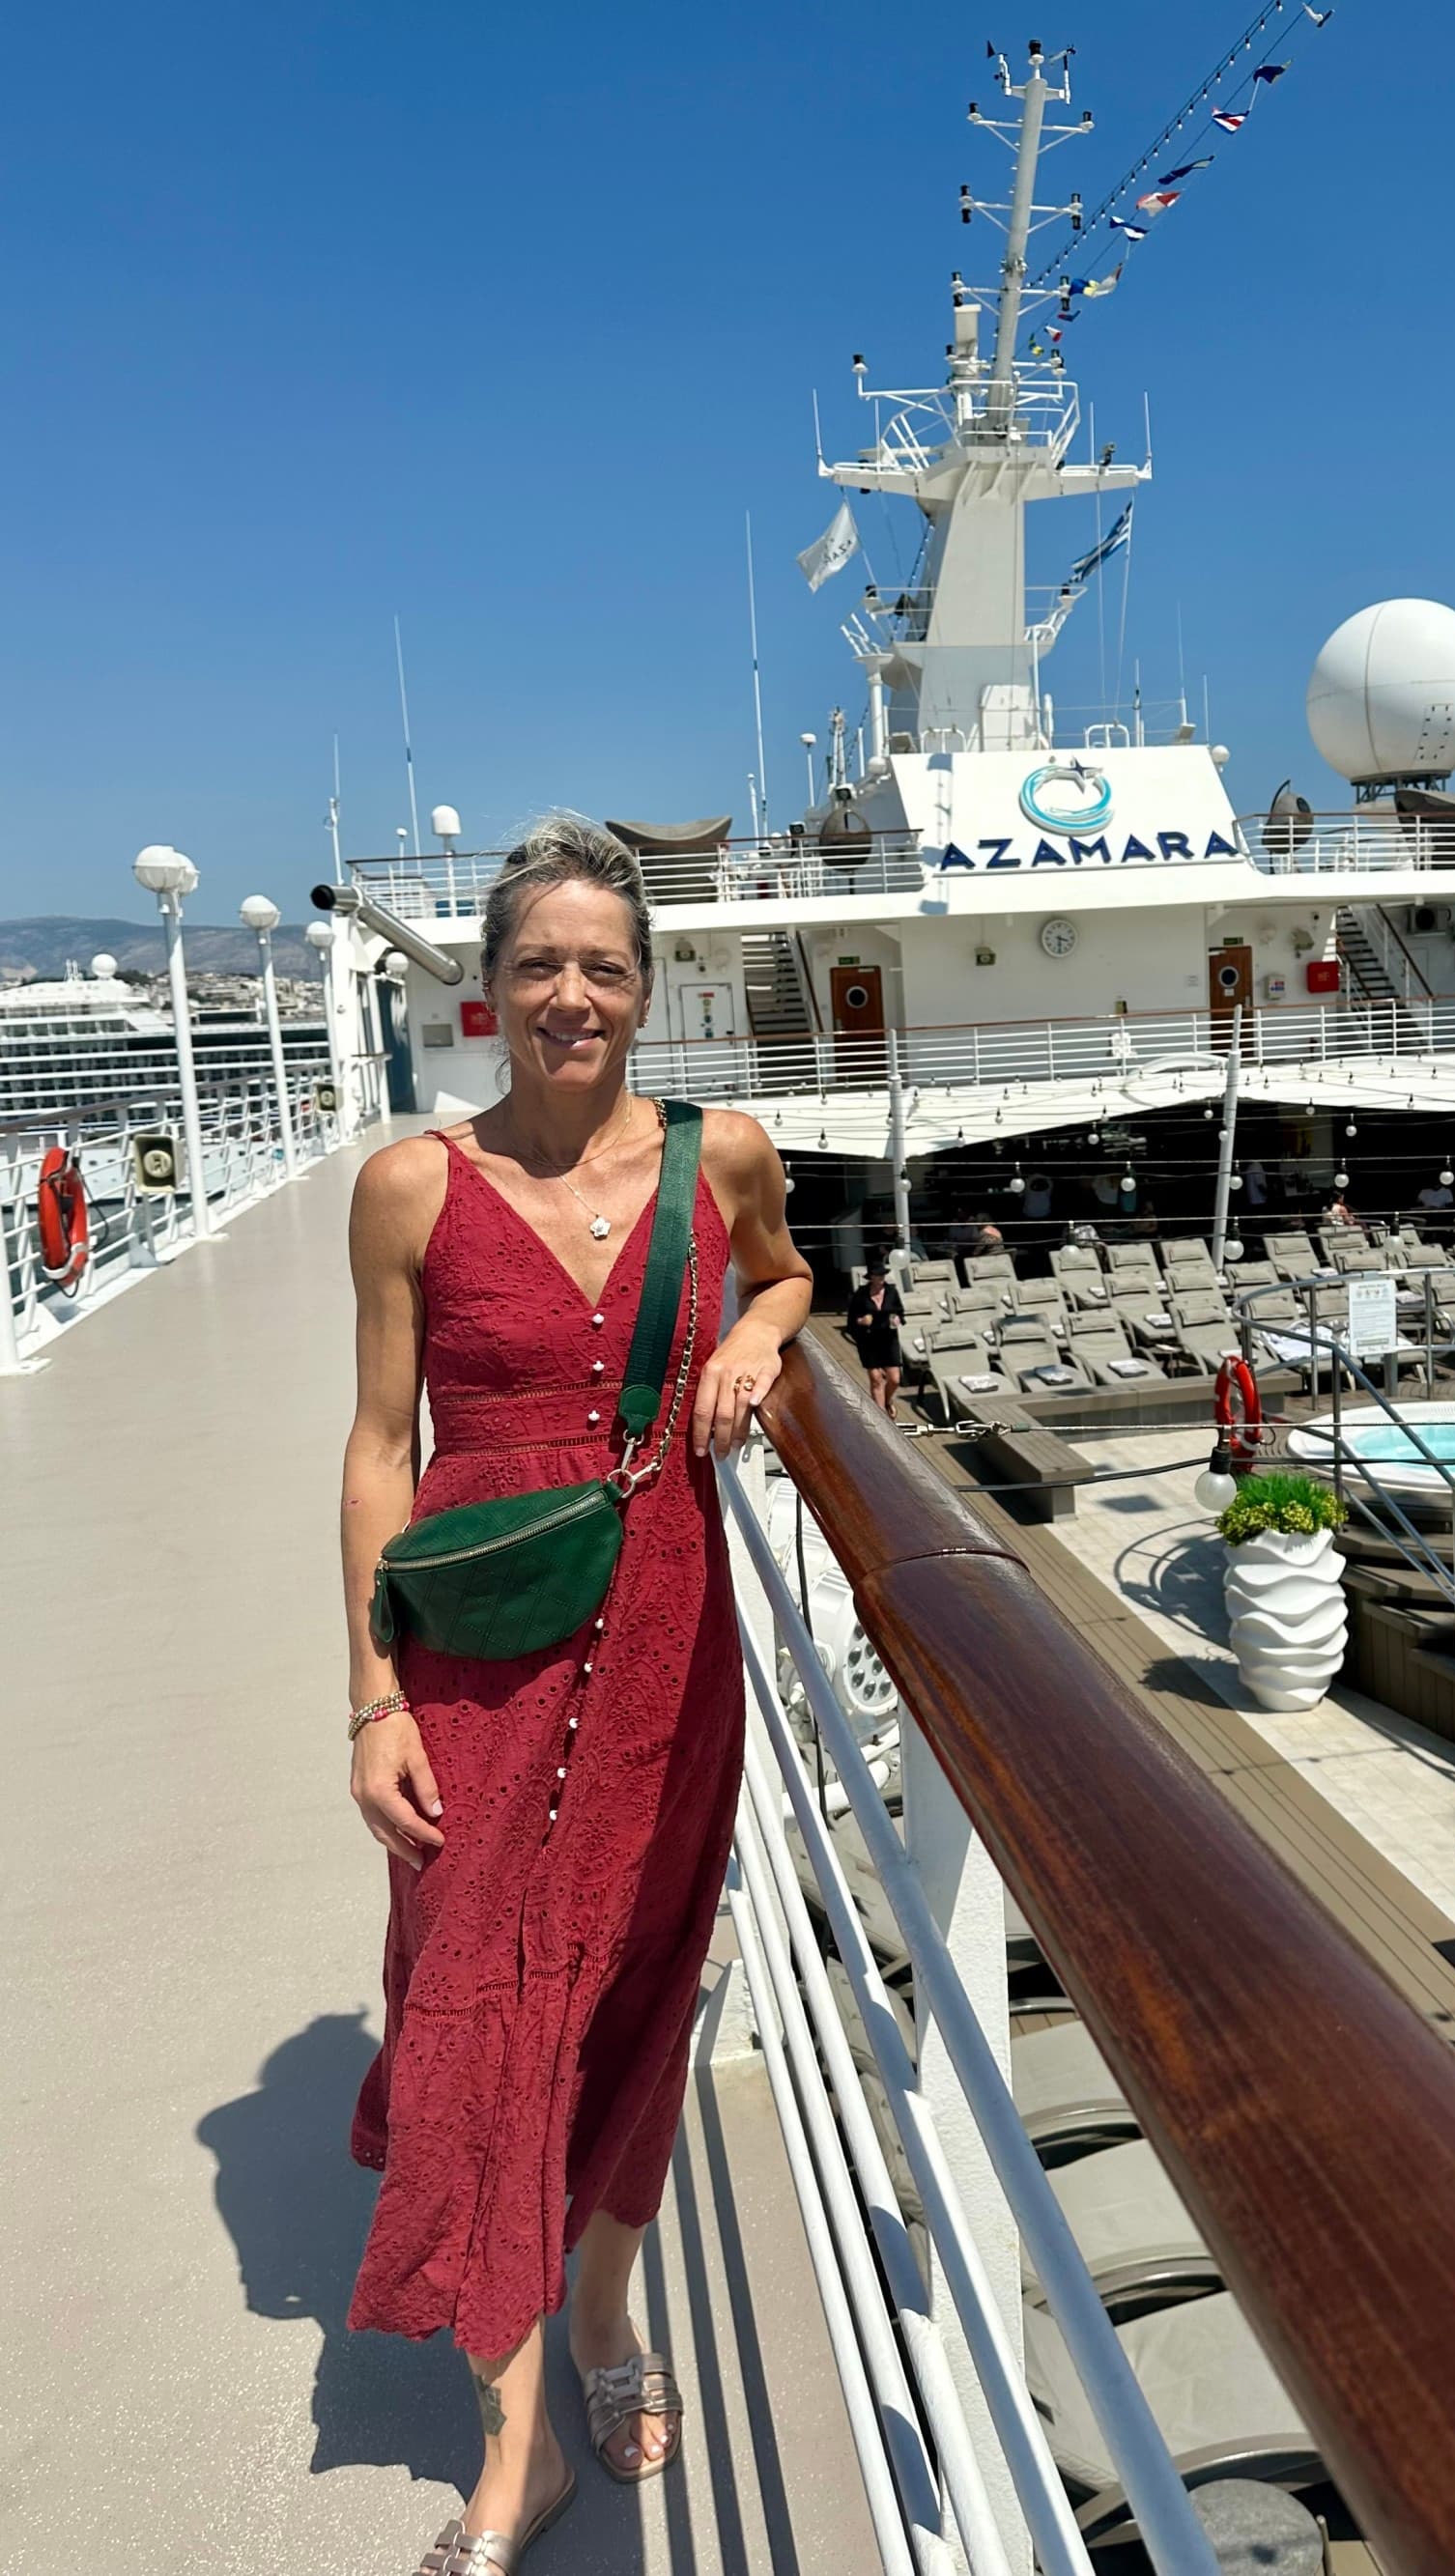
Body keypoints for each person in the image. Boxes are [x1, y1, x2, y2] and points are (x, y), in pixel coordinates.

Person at [338, 815, 813, 2564]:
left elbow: (788, 1269)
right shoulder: (414, 1186)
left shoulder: (722, 1157)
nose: (572, 994)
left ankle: (603, 2313)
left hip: (672, 1658)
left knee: (629, 2004)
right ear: (487, 986)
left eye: (604, 964)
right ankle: (515, 2439)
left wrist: (763, 1334)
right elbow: (380, 1446)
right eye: (539, 962)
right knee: (477, 2014)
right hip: (473, 1669)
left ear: (646, 987)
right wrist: (374, 1695)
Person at [845, 1255, 906, 1414]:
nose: (880, 1278)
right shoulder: (861, 1294)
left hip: (889, 1339)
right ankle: (881, 1416)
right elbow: (851, 1320)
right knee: (876, 1378)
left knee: (894, 1379)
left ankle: (887, 1401)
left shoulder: (892, 1292)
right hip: (869, 1340)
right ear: (871, 1277)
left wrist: (898, 1319)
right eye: (877, 1275)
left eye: (882, 1275)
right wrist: (861, 1321)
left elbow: (899, 1312)